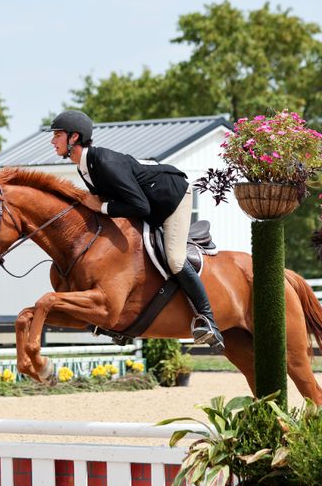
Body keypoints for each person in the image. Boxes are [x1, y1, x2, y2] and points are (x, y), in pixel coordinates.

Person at [49, 110, 224, 352]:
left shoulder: (104, 163)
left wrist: (100, 206)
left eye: (57, 135)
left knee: (174, 259)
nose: (52, 141)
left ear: (74, 137)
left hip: (171, 198)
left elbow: (139, 205)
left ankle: (208, 320)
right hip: (148, 204)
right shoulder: (84, 165)